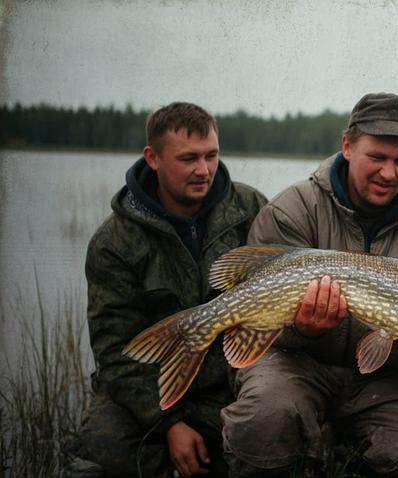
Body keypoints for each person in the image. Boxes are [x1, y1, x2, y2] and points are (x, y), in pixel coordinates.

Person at [220, 92, 398, 477]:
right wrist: (304, 329)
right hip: (293, 362)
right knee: (264, 418)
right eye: (377, 157)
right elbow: (254, 325)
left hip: (379, 379)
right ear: (347, 146)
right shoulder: (292, 210)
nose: (389, 173)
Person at [74, 102, 267, 477]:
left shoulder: (250, 207)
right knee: (102, 455)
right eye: (188, 158)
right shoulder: (114, 241)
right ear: (153, 158)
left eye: (211, 155)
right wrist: (170, 423)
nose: (203, 170)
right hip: (146, 386)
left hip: (228, 383)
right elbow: (114, 349)